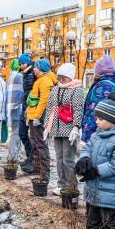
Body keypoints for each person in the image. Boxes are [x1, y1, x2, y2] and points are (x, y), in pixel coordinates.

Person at [75, 92, 115, 229]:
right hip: (94, 193)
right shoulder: (96, 135)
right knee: (92, 225)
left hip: (112, 196)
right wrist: (85, 159)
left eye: (100, 118)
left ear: (111, 119)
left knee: (111, 228)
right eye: (96, 118)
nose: (97, 121)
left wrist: (97, 170)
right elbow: (87, 147)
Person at [44, 63, 84, 195]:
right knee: (59, 158)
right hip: (56, 128)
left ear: (70, 77)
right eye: (59, 76)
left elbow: (78, 109)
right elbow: (50, 107)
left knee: (68, 159)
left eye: (64, 77)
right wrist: (47, 128)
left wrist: (76, 128)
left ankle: (71, 186)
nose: (61, 79)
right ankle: (61, 184)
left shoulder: (76, 89)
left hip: (69, 129)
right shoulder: (56, 89)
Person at [81, 55, 115, 143]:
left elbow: (98, 113)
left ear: (100, 71)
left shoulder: (103, 87)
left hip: (96, 133)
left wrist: (88, 135)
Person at [26, 58, 57, 181]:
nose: (34, 68)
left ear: (41, 69)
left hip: (38, 118)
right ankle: (37, 167)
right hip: (34, 116)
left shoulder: (45, 80)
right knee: (35, 142)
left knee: (40, 144)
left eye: (36, 67)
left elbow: (44, 100)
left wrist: (37, 117)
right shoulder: (41, 79)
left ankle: (45, 172)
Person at [18, 53, 37, 173]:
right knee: (22, 133)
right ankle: (30, 155)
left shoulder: (33, 73)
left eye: (23, 63)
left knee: (34, 137)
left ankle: (33, 160)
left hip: (31, 108)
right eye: (20, 64)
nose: (21, 66)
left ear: (28, 63)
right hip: (25, 107)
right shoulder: (25, 74)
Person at [6, 59, 24, 162]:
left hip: (12, 109)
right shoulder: (18, 77)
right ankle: (13, 156)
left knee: (15, 132)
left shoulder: (10, 77)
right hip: (17, 110)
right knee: (16, 133)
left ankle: (15, 154)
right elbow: (20, 94)